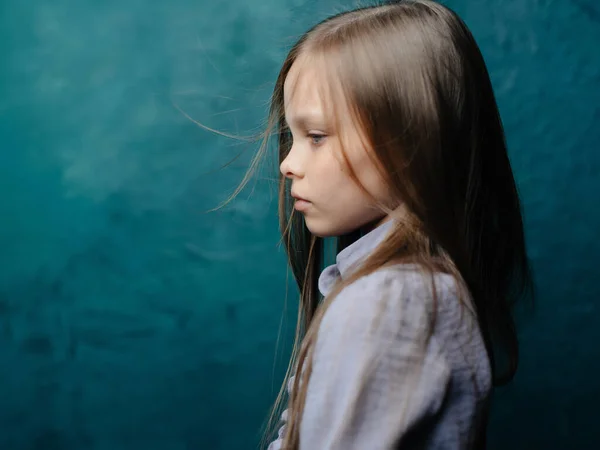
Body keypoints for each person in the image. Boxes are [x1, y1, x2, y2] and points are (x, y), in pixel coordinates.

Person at [224, 0, 534, 448]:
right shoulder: (400, 292)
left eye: (316, 136)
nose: (288, 163)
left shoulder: (391, 302)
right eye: (293, 137)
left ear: (412, 139)